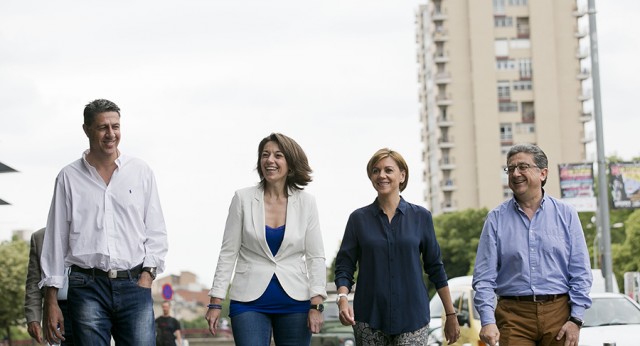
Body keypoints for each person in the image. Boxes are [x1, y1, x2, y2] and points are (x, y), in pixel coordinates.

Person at [39, 99, 168, 346]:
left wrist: (148, 275)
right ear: (86, 129)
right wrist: (51, 300)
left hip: (134, 284)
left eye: (116, 126)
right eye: (102, 128)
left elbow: (156, 230)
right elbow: (55, 240)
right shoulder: (69, 177)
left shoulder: (140, 171)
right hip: (86, 286)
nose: (111, 134)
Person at [205, 133, 327, 346]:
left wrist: (316, 304)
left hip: (295, 302)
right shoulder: (242, 199)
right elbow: (228, 252)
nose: (270, 160)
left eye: (278, 155)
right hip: (248, 303)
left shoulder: (307, 203)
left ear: (290, 164)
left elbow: (315, 257)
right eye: (265, 155)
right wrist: (215, 303)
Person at [334, 148, 461, 345]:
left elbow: (435, 267)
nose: (381, 175)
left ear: (402, 175)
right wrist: (342, 298)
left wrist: (451, 315)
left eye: (388, 170)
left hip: (413, 319)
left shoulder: (421, 217)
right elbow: (345, 266)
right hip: (369, 318)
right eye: (375, 171)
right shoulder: (358, 219)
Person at [472, 143, 593, 346]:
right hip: (513, 316)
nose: (515, 173)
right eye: (510, 169)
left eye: (522, 167)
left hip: (559, 313)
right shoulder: (495, 218)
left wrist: (576, 319)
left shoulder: (566, 214)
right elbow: (484, 278)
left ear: (543, 173)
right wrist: (487, 320)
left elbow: (580, 271)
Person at [24, 228, 74, 345]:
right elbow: (33, 283)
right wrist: (33, 318)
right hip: (54, 310)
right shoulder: (40, 237)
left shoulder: (90, 232)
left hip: (87, 305)